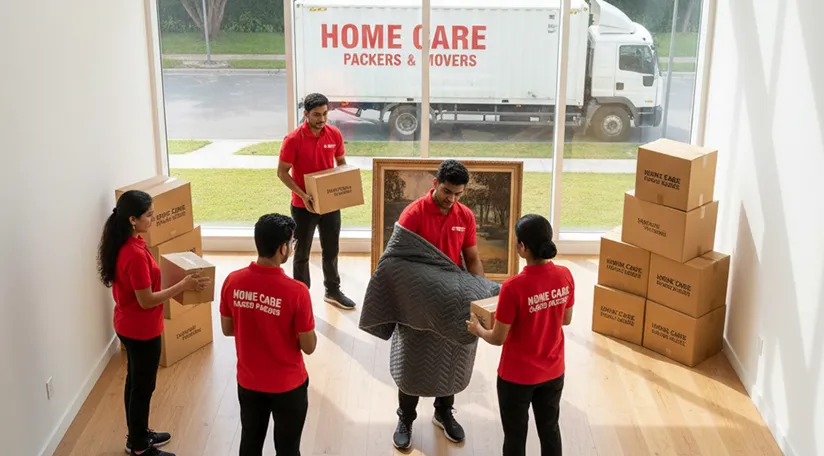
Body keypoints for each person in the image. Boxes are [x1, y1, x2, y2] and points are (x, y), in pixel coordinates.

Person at [97, 189, 210, 456]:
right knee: (143, 388)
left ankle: (136, 434)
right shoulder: (134, 254)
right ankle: (139, 447)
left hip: (127, 324)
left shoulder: (129, 243)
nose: (154, 219)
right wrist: (183, 284)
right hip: (141, 331)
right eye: (149, 215)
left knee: (134, 383)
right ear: (133, 219)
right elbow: (146, 300)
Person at [391, 159, 484, 449]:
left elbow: (472, 258)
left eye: (458, 194)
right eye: (447, 192)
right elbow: (396, 260)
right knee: (412, 359)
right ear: (435, 184)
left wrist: (482, 292)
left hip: (451, 293)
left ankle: (444, 412)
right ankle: (405, 417)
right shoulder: (413, 214)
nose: (452, 199)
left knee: (451, 354)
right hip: (417, 295)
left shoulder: (465, 216)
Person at [466, 214, 574, 456]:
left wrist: (478, 329)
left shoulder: (513, 287)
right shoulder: (565, 275)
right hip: (554, 371)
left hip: (517, 377)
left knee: (515, 435)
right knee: (550, 430)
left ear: (523, 247)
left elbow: (497, 338)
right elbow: (565, 319)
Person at [219, 213, 317, 456]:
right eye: (292, 243)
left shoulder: (233, 281)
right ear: (283, 248)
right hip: (288, 386)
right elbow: (309, 346)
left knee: (250, 443)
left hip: (249, 382)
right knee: (288, 449)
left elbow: (227, 329)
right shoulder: (297, 292)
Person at [277, 92, 356, 311]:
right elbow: (282, 172)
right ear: (306, 114)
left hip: (330, 204)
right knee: (301, 253)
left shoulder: (334, 134)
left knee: (331, 250)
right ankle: (301, 297)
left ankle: (332, 291)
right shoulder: (293, 140)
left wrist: (342, 186)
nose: (321, 119)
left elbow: (340, 162)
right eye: (316, 115)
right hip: (303, 206)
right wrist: (303, 195)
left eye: (324, 114)